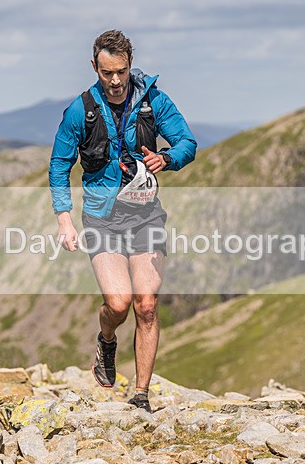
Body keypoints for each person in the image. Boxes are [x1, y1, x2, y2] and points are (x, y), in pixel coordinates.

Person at [49, 30, 196, 412]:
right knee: (118, 304)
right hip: (102, 218)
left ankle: (141, 395)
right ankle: (107, 340)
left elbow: (187, 143)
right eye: (107, 73)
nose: (115, 81)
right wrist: (64, 219)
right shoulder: (80, 111)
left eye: (121, 71)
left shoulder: (154, 101)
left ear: (131, 64)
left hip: (146, 215)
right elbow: (59, 164)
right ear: (94, 67)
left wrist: (167, 158)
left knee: (146, 305)